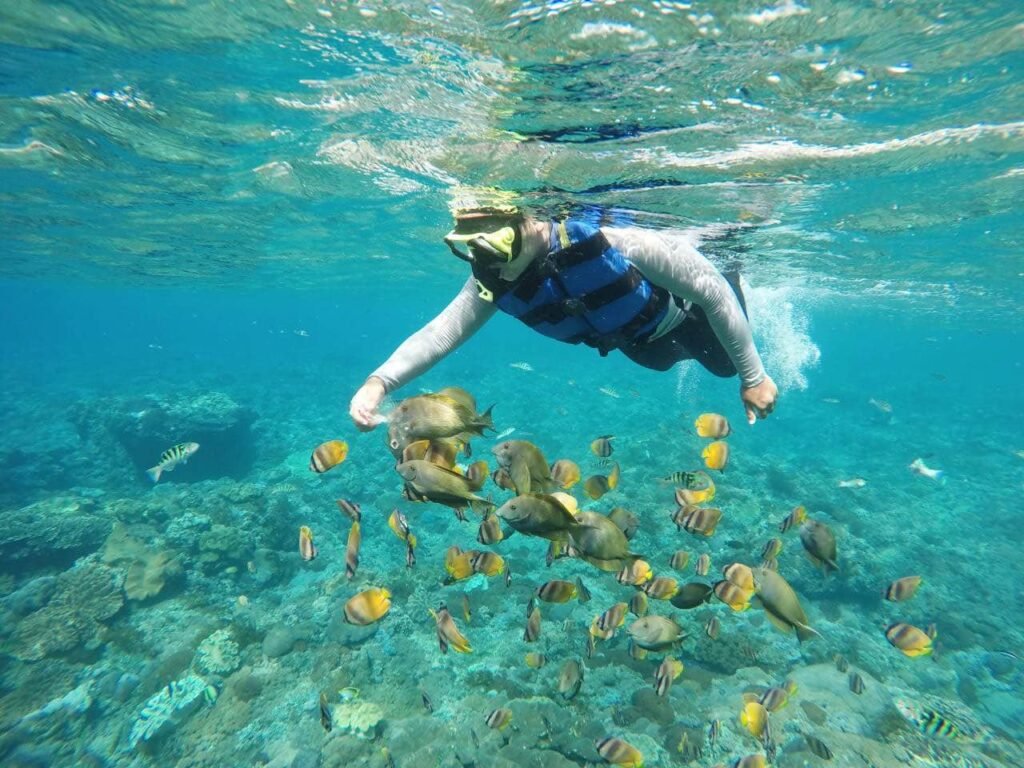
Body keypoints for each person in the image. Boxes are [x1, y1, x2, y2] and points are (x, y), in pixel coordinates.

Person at [349, 206, 778, 429]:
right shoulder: (494, 277)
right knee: (660, 363)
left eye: (494, 248)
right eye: (472, 249)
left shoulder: (618, 242)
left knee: (724, 366)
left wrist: (754, 377)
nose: (487, 263)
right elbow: (441, 333)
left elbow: (711, 294)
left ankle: (733, 255)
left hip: (688, 317)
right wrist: (378, 382)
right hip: (638, 345)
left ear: (531, 224)